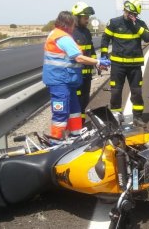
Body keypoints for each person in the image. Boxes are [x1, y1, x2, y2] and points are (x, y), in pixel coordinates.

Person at [42, 11, 111, 145]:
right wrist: (97, 62)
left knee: (75, 110)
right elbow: (78, 57)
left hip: (67, 81)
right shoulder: (63, 38)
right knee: (61, 113)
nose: (74, 28)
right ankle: (56, 141)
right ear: (68, 24)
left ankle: (76, 135)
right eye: (73, 25)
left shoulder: (56, 33)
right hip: (59, 81)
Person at [100, 0, 149, 127]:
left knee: (137, 93)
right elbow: (105, 38)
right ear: (125, 10)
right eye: (127, 12)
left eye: (132, 14)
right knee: (116, 92)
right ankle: (116, 118)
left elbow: (147, 38)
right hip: (118, 66)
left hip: (135, 66)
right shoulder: (114, 23)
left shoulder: (140, 24)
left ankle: (138, 117)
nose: (129, 15)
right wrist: (104, 55)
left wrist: (136, 25)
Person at [71, 2, 97, 124]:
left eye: (88, 17)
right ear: (77, 17)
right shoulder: (71, 33)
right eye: (85, 17)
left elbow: (91, 49)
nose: (87, 20)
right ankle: (75, 128)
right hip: (76, 76)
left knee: (84, 101)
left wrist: (96, 63)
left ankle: (80, 125)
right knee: (76, 102)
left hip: (87, 76)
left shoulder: (86, 32)